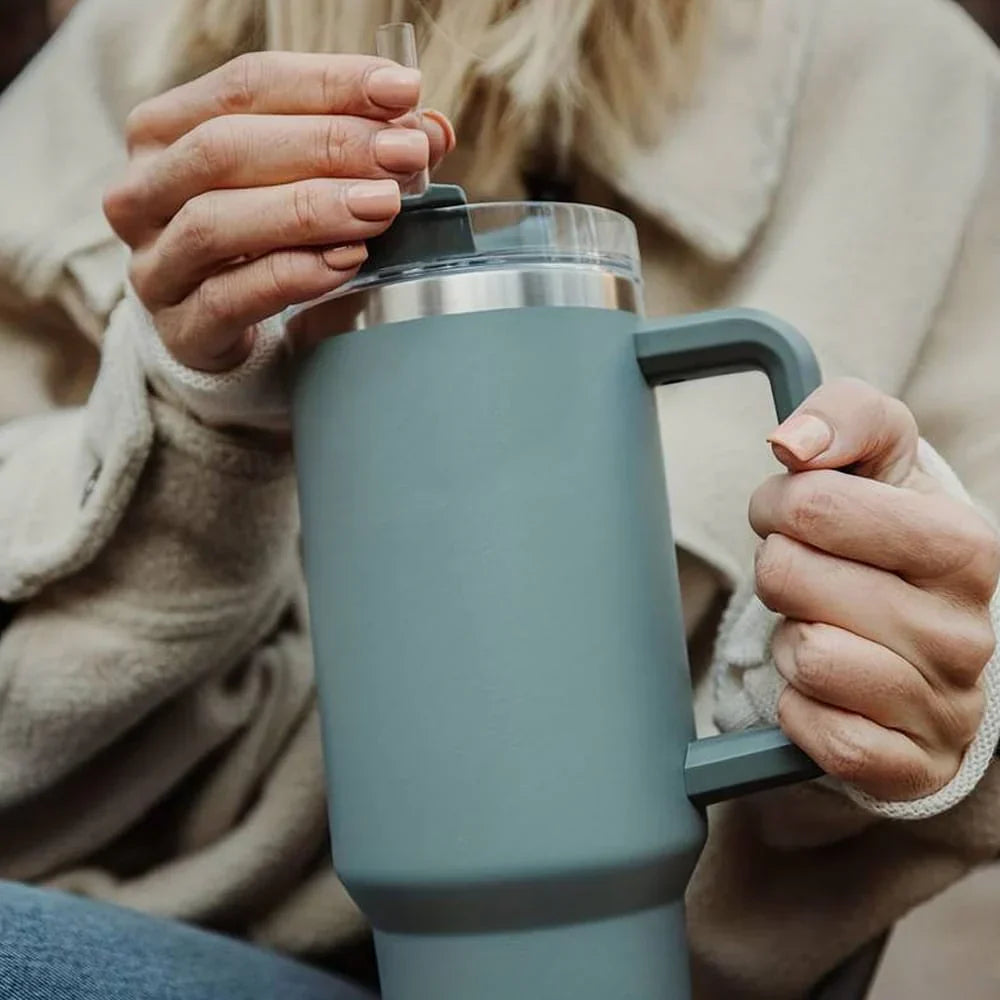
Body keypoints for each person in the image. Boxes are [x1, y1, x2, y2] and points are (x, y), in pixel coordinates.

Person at [0, 0, 998, 997]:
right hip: (169, 933)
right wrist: (190, 426)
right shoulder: (135, 55)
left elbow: (964, 641)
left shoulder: (902, 89)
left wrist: (885, 678)